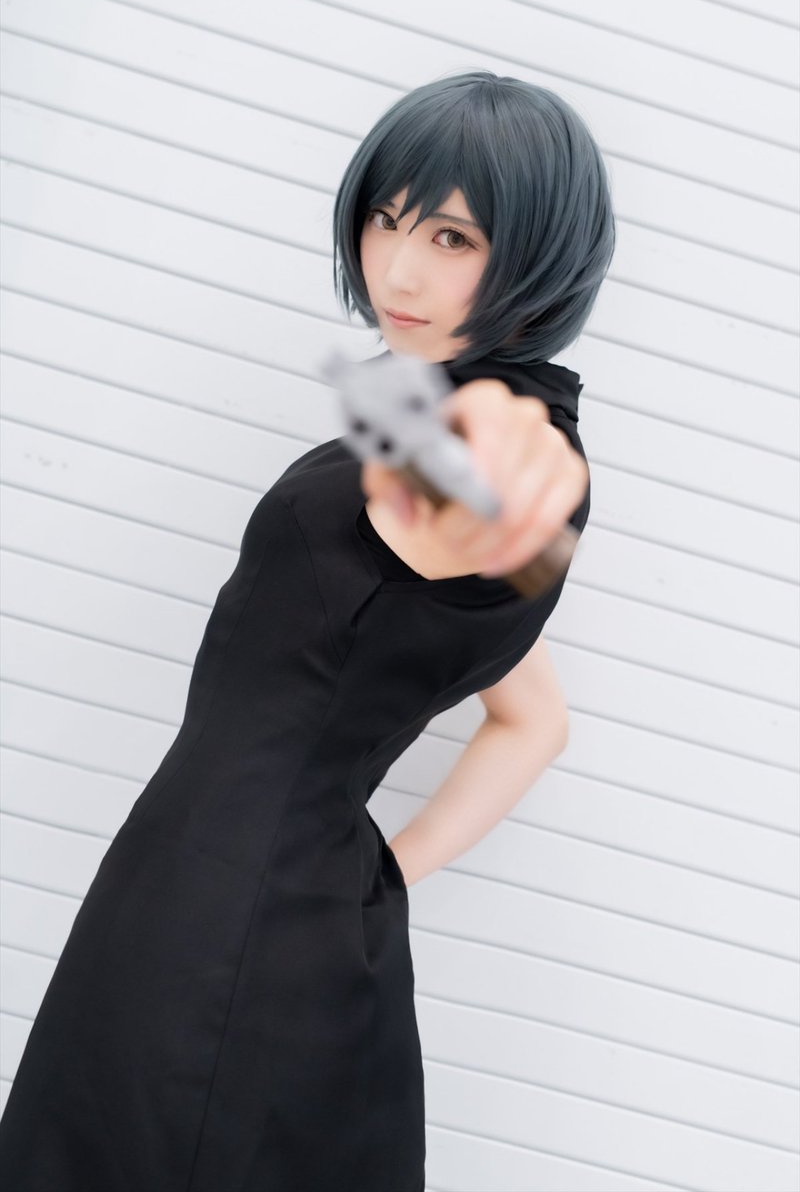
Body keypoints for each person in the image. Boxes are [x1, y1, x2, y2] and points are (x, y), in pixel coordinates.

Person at [0, 70, 615, 1190]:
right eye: (386, 218)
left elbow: (496, 481)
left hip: (225, 934)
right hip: (222, 897)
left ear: (540, 253)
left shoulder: (489, 446)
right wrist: (378, 872)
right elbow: (533, 717)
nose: (398, 268)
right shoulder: (421, 415)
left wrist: (509, 462)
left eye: (451, 236)